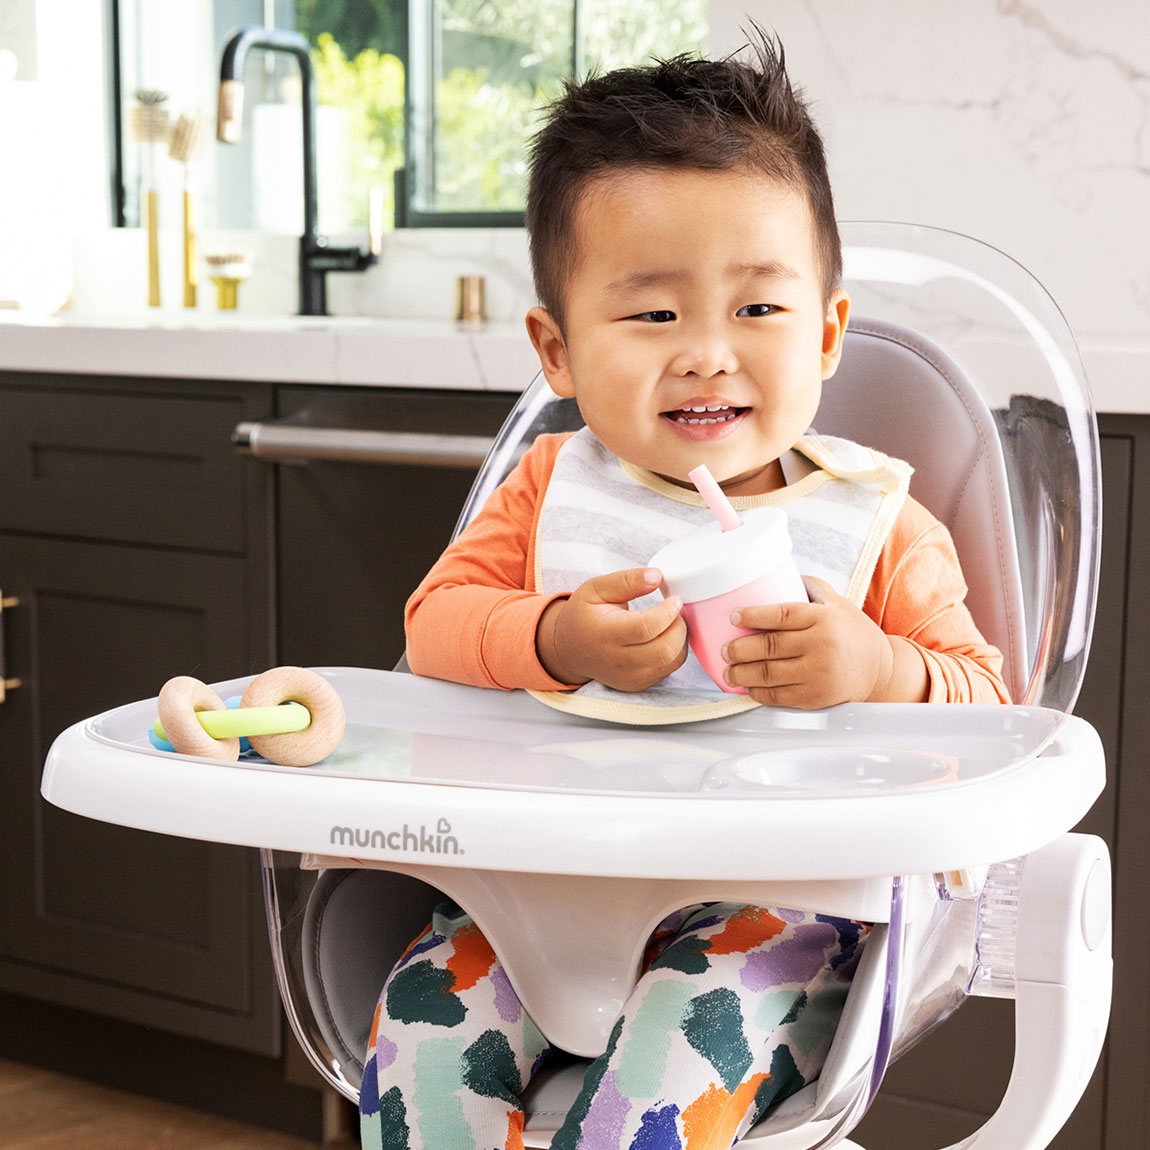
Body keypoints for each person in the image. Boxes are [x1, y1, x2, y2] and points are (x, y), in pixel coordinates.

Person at [360, 30, 1009, 1150]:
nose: (707, 352)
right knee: (418, 1049)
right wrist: (556, 634)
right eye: (653, 314)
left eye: (758, 310)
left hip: (773, 916)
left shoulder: (880, 529)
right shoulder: (546, 492)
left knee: (651, 1098)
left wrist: (877, 666)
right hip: (534, 893)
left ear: (827, 333)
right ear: (556, 352)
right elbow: (434, 633)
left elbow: (991, 712)